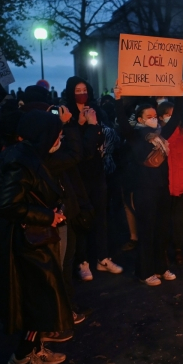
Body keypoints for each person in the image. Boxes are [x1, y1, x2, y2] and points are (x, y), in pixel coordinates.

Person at [0, 110, 71, 364]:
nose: (59, 137)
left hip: (34, 239)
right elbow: (8, 204)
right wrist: (48, 216)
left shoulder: (29, 155)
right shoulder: (20, 160)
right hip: (26, 243)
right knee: (38, 297)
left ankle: (36, 348)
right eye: (55, 133)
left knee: (40, 296)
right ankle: (23, 355)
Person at [114, 81, 183, 286]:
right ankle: (144, 272)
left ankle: (161, 267)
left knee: (162, 230)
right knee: (147, 231)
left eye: (155, 116)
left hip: (162, 189)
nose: (154, 119)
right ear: (139, 119)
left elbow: (177, 117)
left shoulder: (162, 135)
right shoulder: (134, 136)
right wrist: (118, 99)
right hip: (144, 190)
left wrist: (179, 94)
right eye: (149, 117)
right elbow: (122, 121)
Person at [63, 76, 122, 279]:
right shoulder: (66, 114)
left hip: (97, 172)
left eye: (84, 89)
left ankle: (102, 257)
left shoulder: (96, 110)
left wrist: (96, 125)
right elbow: (77, 148)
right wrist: (81, 125)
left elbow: (107, 136)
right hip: (77, 174)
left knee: (100, 216)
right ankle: (82, 261)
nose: (81, 93)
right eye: (77, 90)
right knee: (81, 217)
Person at [158, 101, 183, 264]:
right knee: (163, 221)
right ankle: (163, 251)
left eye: (173, 114)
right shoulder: (159, 135)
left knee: (178, 221)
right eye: (167, 114)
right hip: (164, 186)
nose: (171, 118)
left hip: (181, 183)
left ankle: (178, 249)